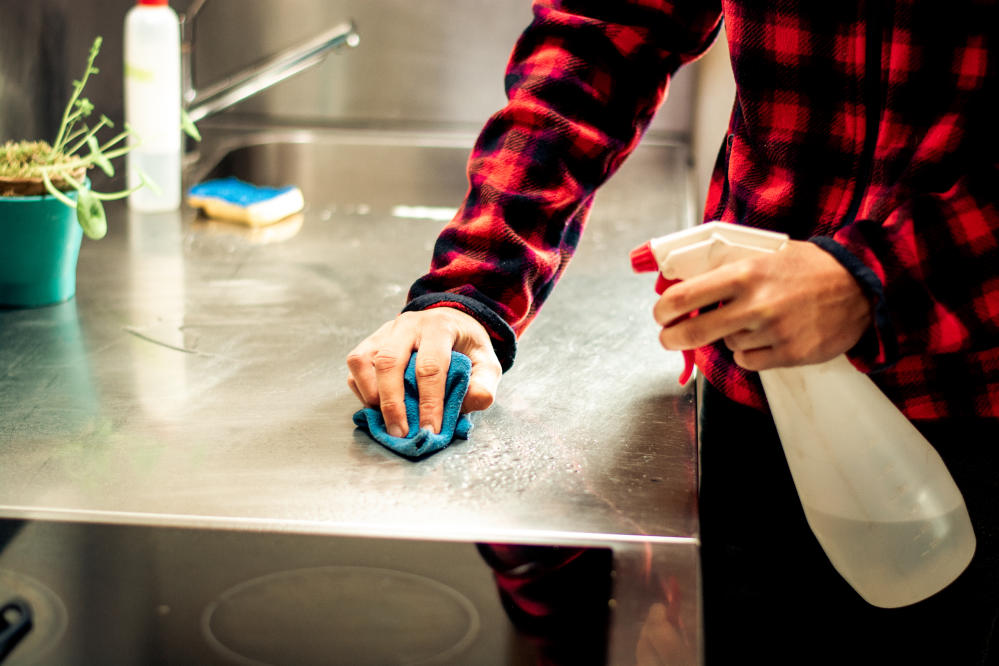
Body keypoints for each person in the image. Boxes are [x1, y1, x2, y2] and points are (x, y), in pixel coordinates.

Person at [347, 1, 998, 663]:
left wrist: (878, 279)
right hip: (752, 396)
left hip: (968, 404)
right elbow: (603, 35)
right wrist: (472, 288)